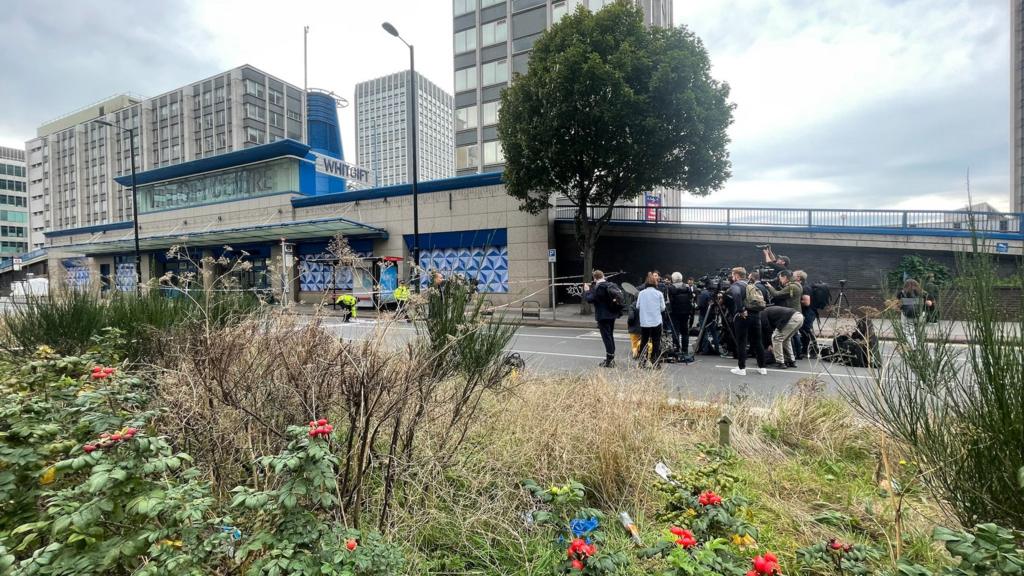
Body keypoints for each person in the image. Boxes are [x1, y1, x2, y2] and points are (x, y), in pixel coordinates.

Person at [728, 268, 767, 376]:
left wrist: (741, 310)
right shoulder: (753, 285)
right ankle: (762, 367)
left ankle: (741, 368)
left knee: (742, 342)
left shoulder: (737, 285)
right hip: (756, 315)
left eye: (732, 275)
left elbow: (736, 295)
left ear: (736, 275)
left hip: (743, 316)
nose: (732, 277)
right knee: (758, 341)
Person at [764, 269, 803, 365]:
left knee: (777, 338)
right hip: (796, 315)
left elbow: (777, 294)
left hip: (790, 316)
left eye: (780, 278)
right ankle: (792, 360)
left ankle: (781, 362)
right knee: (787, 338)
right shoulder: (797, 285)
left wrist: (769, 287)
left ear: (785, 277)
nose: (780, 280)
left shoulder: (792, 287)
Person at [584, 270, 622, 368]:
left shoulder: (599, 288)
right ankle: (611, 358)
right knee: (610, 336)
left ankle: (609, 360)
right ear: (603, 276)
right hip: (612, 314)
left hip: (603, 316)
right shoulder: (609, 285)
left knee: (606, 338)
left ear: (594, 278)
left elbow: (590, 299)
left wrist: (587, 290)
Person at [635, 272, 666, 367]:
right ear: (655, 283)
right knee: (656, 341)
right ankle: (655, 361)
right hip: (656, 321)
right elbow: (663, 308)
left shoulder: (641, 293)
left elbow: (637, 306)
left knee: (644, 341)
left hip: (645, 322)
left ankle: (642, 361)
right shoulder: (659, 293)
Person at [763, 304, 802, 369]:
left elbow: (767, 329)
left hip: (791, 318)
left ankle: (780, 362)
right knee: (786, 339)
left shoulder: (762, 313)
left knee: (776, 338)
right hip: (799, 316)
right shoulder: (769, 310)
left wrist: (770, 344)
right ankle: (791, 361)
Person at [668, 272, 694, 358]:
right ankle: (685, 350)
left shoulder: (671, 288)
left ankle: (676, 349)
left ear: (673, 279)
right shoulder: (687, 287)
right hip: (685, 313)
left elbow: (669, 301)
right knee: (685, 332)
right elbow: (691, 299)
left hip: (675, 313)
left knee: (675, 331)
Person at [897, 278, 930, 348]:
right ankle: (921, 347)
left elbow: (898, 304)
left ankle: (914, 348)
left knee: (909, 333)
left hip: (907, 316)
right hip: (920, 315)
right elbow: (928, 304)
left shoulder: (901, 293)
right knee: (920, 332)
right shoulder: (923, 293)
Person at [794, 270, 815, 359]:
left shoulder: (805, 288)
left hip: (808, 313)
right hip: (806, 312)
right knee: (805, 331)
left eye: (794, 275)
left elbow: (806, 302)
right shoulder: (800, 286)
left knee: (806, 331)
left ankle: (812, 351)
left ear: (798, 277)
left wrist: (795, 301)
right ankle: (807, 350)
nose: (792, 276)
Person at [696, 280, 721, 355]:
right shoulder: (714, 294)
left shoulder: (704, 293)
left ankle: (705, 349)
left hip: (704, 315)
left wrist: (696, 307)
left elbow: (700, 305)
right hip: (712, 315)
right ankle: (717, 349)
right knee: (714, 332)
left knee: (704, 332)